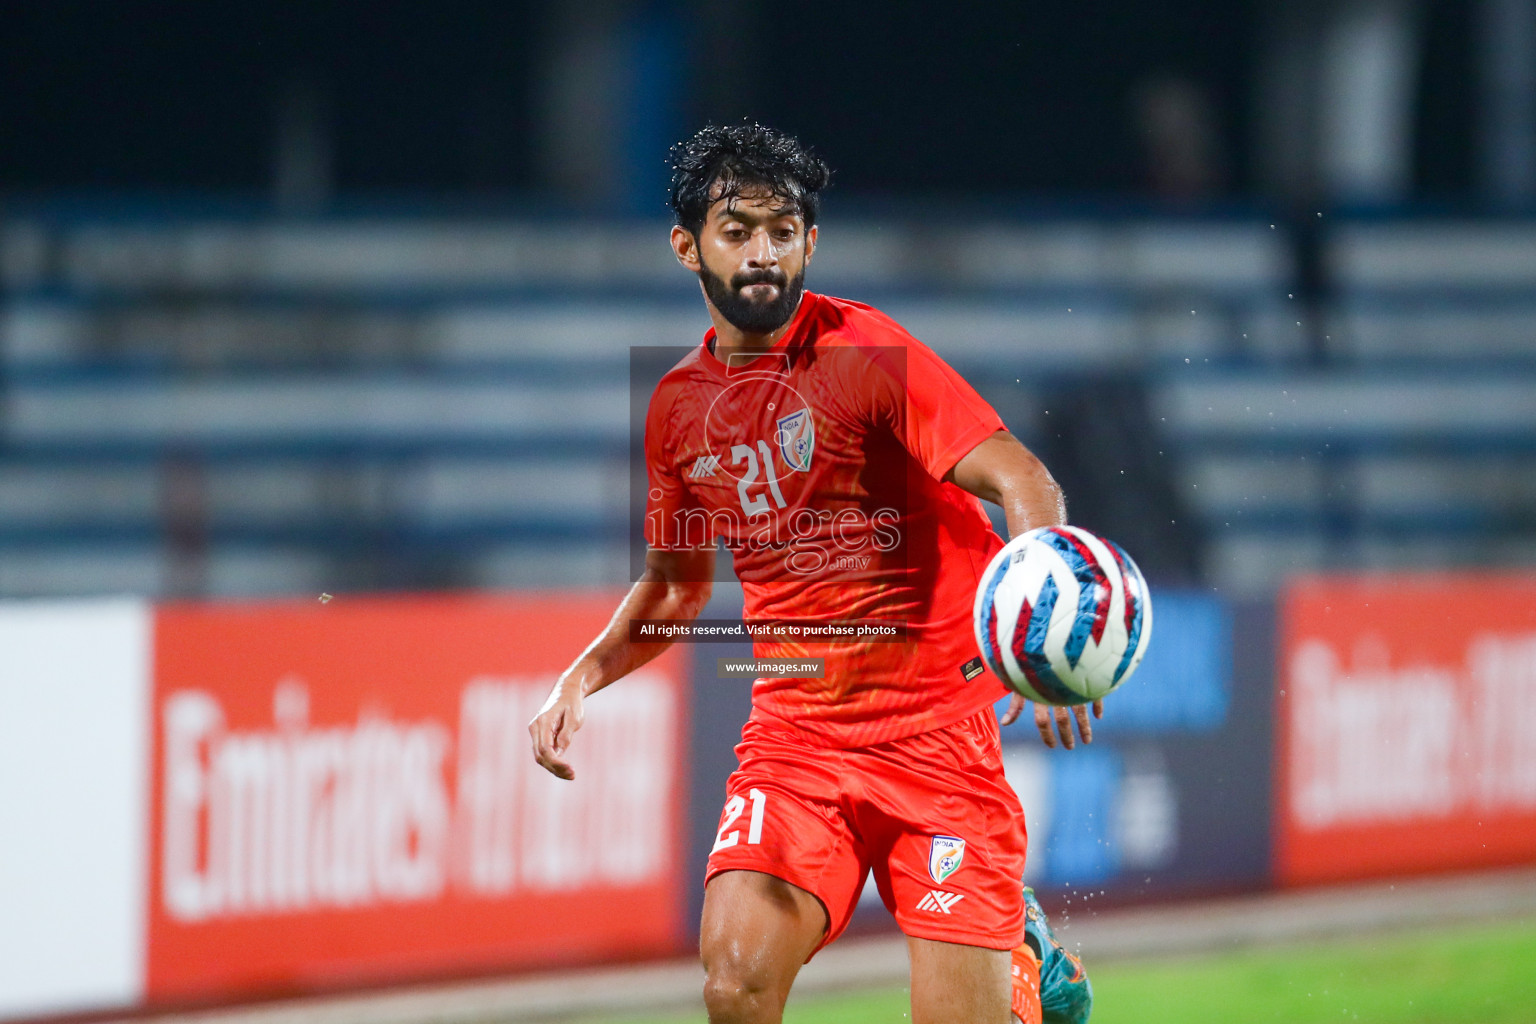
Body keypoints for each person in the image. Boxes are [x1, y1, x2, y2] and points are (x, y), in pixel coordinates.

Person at [529, 123, 1097, 1024]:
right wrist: (582, 676)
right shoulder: (679, 407)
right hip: (797, 739)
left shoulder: (862, 351)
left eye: (783, 231)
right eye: (738, 230)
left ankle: (1020, 970)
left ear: (811, 242)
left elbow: (1023, 480)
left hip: (936, 736)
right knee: (734, 982)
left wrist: (1045, 630)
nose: (764, 253)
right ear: (687, 247)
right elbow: (678, 585)